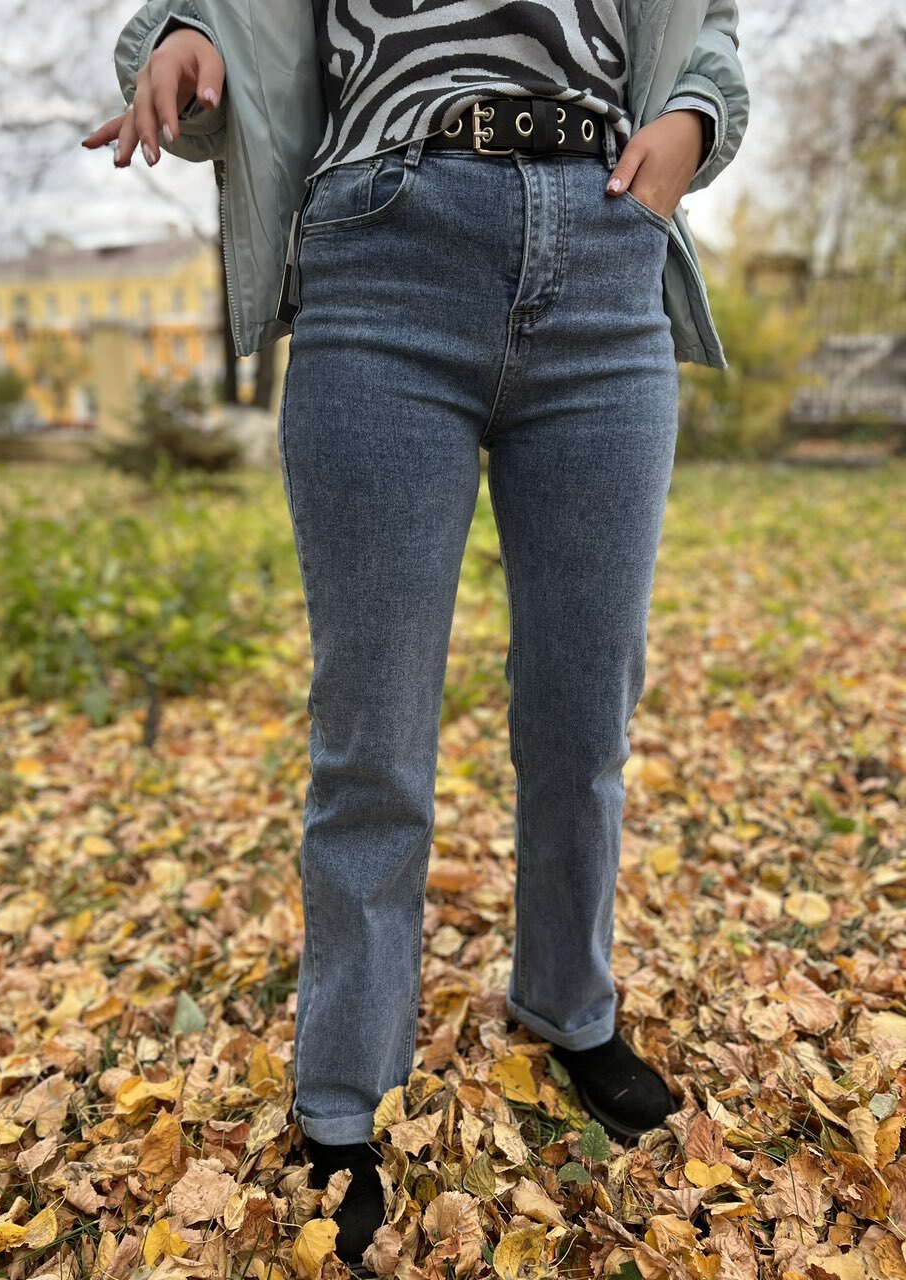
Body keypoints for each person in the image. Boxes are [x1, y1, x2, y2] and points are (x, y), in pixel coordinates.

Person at [84, 0, 748, 1266]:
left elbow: (706, 33)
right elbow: (228, 21)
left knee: (585, 713)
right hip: (384, 252)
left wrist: (692, 120)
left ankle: (569, 1003)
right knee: (373, 735)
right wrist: (186, 42)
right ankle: (344, 1091)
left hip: (608, 249)